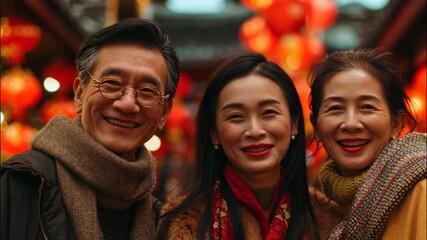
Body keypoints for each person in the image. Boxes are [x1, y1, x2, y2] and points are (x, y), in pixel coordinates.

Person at [1, 18, 180, 239]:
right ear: (79, 94)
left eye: (147, 91)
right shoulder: (24, 183)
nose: (127, 104)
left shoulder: (160, 219)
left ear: (164, 111)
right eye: (112, 83)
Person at [156, 53, 320, 239]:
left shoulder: (327, 218)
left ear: (295, 122)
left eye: (268, 112)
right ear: (214, 133)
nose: (255, 131)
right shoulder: (182, 225)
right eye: (236, 116)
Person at [308, 48, 426, 239]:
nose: (351, 124)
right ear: (316, 127)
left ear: (396, 124)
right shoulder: (319, 215)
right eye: (336, 108)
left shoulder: (421, 195)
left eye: (367, 107)